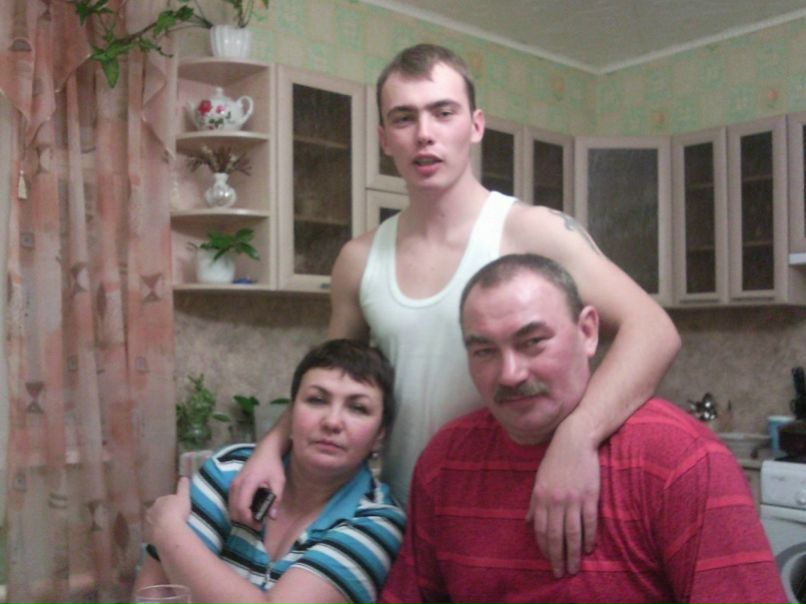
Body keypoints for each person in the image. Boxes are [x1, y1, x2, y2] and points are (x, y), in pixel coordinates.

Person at [229, 43, 681, 577]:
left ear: (475, 125)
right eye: (404, 118)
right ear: (384, 138)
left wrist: (576, 438)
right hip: (402, 521)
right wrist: (270, 448)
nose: (425, 133)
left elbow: (653, 330)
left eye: (443, 112)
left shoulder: (531, 231)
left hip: (523, 511)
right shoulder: (360, 259)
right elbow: (329, 380)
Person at [379, 253, 785, 604]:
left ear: (587, 332)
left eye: (533, 341)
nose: (510, 374)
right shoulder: (447, 461)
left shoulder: (679, 461)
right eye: (484, 351)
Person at [133, 339, 406, 604]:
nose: (332, 421)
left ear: (380, 434)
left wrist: (168, 530)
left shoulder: (378, 521)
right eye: (316, 400)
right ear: (291, 414)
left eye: (358, 408)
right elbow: (155, 593)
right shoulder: (232, 468)